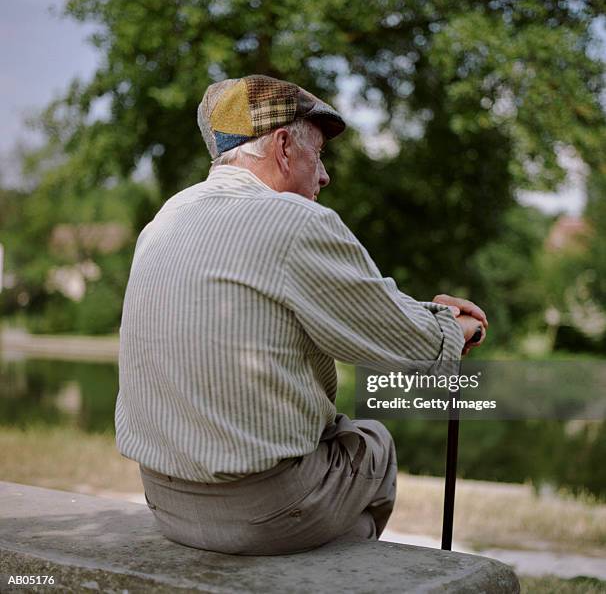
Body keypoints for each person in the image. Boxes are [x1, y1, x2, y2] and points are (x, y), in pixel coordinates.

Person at [115, 74, 488, 555]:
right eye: (320, 154)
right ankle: (335, 572)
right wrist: (453, 326)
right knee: (373, 442)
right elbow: (412, 349)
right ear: (285, 146)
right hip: (264, 513)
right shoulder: (295, 220)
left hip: (165, 504)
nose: (326, 176)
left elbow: (352, 307)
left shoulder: (165, 219)